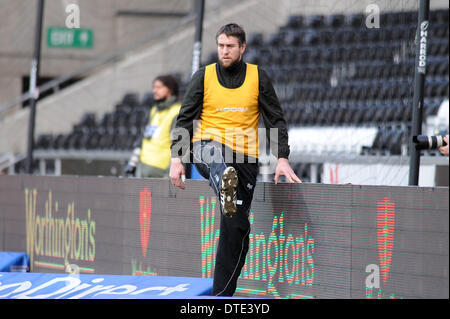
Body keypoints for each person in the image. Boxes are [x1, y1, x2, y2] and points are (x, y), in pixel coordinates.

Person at [169, 23, 301, 296]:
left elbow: (274, 118)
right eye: (220, 45)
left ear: (242, 48)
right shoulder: (203, 76)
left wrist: (282, 159)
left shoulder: (258, 77)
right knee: (214, 155)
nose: (224, 51)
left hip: (245, 160)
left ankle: (221, 297)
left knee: (237, 229)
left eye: (230, 46)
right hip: (207, 148)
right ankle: (222, 176)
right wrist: (177, 159)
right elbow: (184, 118)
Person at [125, 75, 181, 178]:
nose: (154, 91)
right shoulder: (154, 110)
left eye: (159, 87)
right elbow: (144, 137)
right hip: (143, 167)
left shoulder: (177, 111)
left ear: (170, 89)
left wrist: (170, 171)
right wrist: (133, 162)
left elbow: (179, 145)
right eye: (153, 87)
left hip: (161, 171)